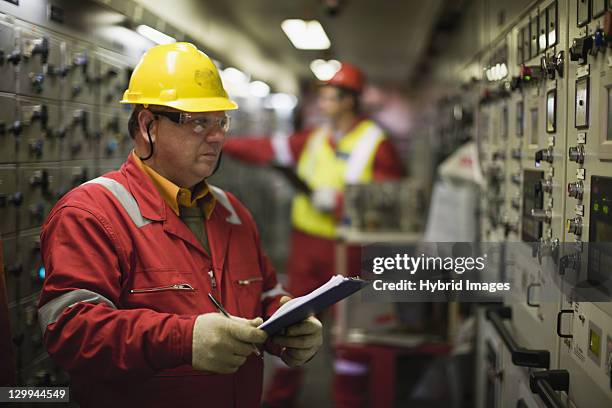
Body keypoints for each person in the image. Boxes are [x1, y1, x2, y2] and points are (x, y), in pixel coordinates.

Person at [37, 42, 323, 408]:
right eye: (197, 121)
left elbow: (265, 296)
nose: (217, 135)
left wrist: (290, 327)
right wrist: (183, 340)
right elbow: (71, 330)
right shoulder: (92, 213)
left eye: (220, 120)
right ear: (147, 125)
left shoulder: (231, 212)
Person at [223, 62, 404, 407]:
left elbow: (389, 204)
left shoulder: (377, 143)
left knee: (349, 339)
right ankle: (279, 400)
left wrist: (336, 202)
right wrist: (220, 141)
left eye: (329, 97)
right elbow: (264, 149)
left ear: (349, 100)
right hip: (306, 247)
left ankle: (348, 401)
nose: (322, 104)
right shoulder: (314, 138)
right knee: (291, 326)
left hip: (351, 251)